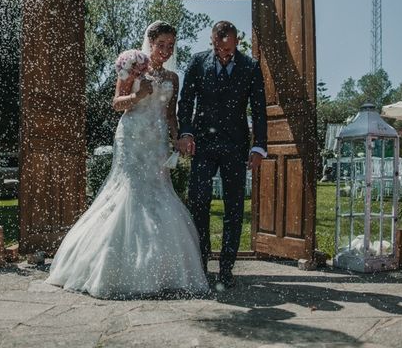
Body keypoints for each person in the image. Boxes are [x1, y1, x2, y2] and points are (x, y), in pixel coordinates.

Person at [46, 21, 208, 299]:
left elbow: (171, 115)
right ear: (150, 43)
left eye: (171, 46)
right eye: (161, 45)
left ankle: (159, 270)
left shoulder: (173, 78)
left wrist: (177, 138)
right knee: (129, 193)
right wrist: (138, 94)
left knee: (158, 194)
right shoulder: (133, 68)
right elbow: (116, 103)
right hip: (131, 138)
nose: (166, 51)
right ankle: (110, 266)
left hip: (157, 142)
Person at [177, 20, 268, 289]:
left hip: (236, 146)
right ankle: (201, 261)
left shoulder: (250, 67)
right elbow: (186, 101)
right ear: (212, 41)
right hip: (203, 145)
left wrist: (258, 146)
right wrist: (186, 132)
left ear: (237, 42)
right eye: (220, 49)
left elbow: (259, 108)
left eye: (229, 50)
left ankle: (227, 268)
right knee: (199, 202)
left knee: (234, 207)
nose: (225, 54)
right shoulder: (196, 62)